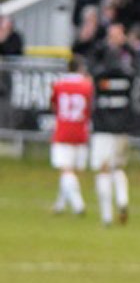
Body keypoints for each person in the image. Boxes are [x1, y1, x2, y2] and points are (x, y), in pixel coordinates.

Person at [89, 40, 138, 227]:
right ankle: (123, 201)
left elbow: (90, 61)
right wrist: (128, 45)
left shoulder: (100, 77)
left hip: (102, 131)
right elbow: (139, 65)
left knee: (103, 170)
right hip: (122, 129)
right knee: (118, 168)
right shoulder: (127, 77)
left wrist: (101, 45)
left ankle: (107, 216)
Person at [49, 55, 93, 216]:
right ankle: (60, 204)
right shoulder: (87, 86)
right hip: (81, 130)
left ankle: (78, 204)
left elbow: (53, 105)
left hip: (63, 130)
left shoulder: (59, 85)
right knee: (70, 170)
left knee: (66, 170)